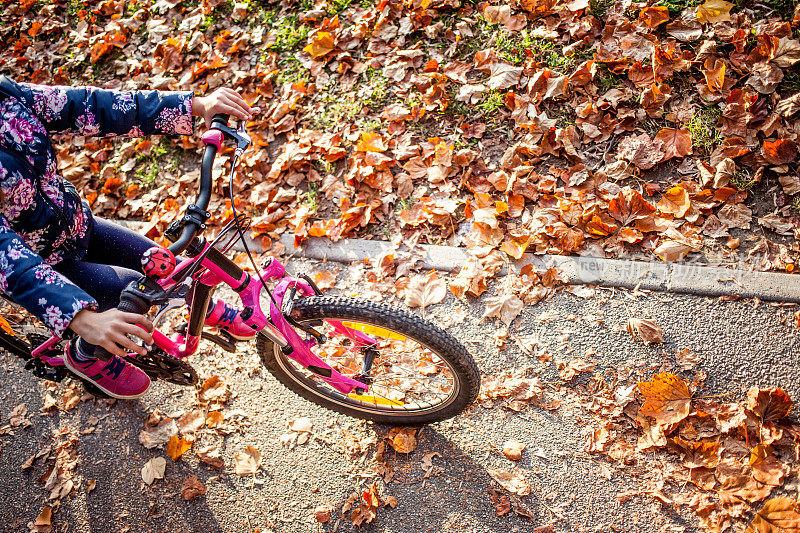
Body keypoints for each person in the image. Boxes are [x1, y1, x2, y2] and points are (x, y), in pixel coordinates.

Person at [0, 76, 255, 399]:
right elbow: (5, 256)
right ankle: (84, 357)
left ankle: (196, 305)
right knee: (125, 291)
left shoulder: (6, 95)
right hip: (41, 263)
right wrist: (80, 318)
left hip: (78, 224)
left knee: (166, 265)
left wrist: (194, 106)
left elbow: (91, 106)